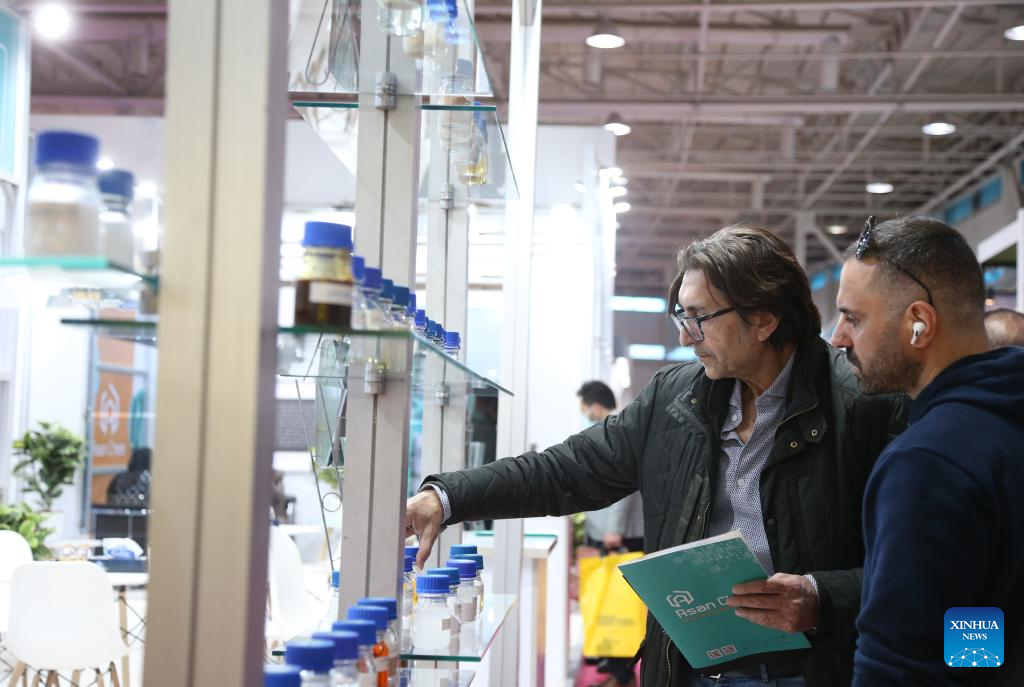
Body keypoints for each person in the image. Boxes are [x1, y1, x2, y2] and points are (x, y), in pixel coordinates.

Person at [406, 223, 908, 687]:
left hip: (812, 672)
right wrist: (446, 499)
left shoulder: (866, 405)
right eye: (681, 316)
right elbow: (566, 470)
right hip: (688, 669)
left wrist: (822, 597)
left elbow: (919, 568)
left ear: (763, 319)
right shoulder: (676, 399)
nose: (685, 336)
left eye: (700, 318)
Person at [830, 216, 1024, 686]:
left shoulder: (928, 463)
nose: (838, 337)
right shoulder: (1003, 419)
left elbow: (901, 664)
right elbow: (980, 614)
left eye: (853, 318)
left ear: (919, 323)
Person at [576, 381, 643, 687]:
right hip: (608, 532)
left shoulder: (616, 431)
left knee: (620, 602)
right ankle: (614, 665)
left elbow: (623, 487)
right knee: (609, 599)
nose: (584, 413)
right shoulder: (608, 430)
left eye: (584, 408)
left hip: (619, 534)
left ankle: (621, 672)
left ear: (594, 405)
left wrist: (614, 530)